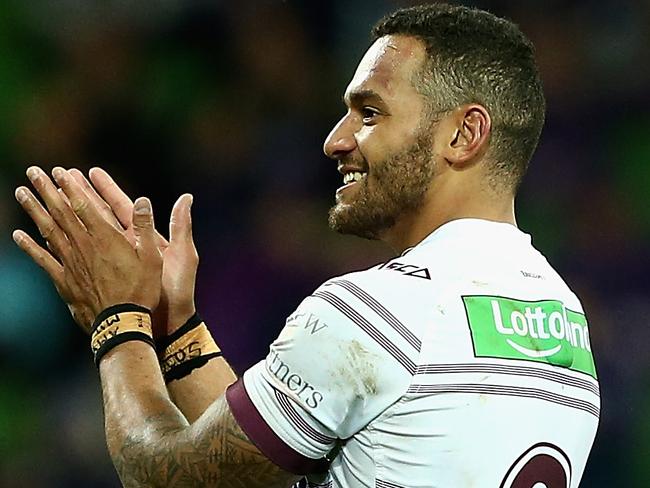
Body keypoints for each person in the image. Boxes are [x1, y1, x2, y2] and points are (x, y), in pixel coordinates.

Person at [12, 3, 599, 487]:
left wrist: (116, 321)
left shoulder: (377, 315)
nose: (334, 141)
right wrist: (174, 327)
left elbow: (172, 477)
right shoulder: (564, 319)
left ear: (463, 133)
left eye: (369, 113)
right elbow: (271, 465)